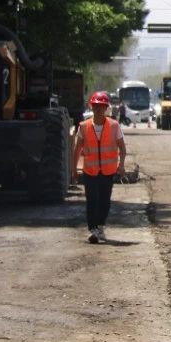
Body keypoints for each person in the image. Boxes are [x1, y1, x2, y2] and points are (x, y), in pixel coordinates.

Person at [71, 91, 127, 244]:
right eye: (96, 106)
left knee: (104, 201)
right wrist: (74, 169)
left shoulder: (114, 126)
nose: (98, 109)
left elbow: (122, 148)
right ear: (91, 106)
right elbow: (76, 150)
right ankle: (93, 229)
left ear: (106, 108)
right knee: (92, 201)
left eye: (102, 106)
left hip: (108, 171)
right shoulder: (84, 126)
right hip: (90, 171)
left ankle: (100, 225)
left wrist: (121, 165)